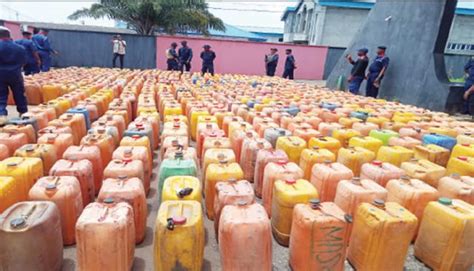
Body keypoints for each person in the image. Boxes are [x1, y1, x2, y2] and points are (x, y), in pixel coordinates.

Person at [0, 26, 28, 123]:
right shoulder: (20, 48)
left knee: (1, 95)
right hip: (15, 73)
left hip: (0, 74)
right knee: (19, 93)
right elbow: (24, 62)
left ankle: (1, 115)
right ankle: (23, 113)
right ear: (9, 35)